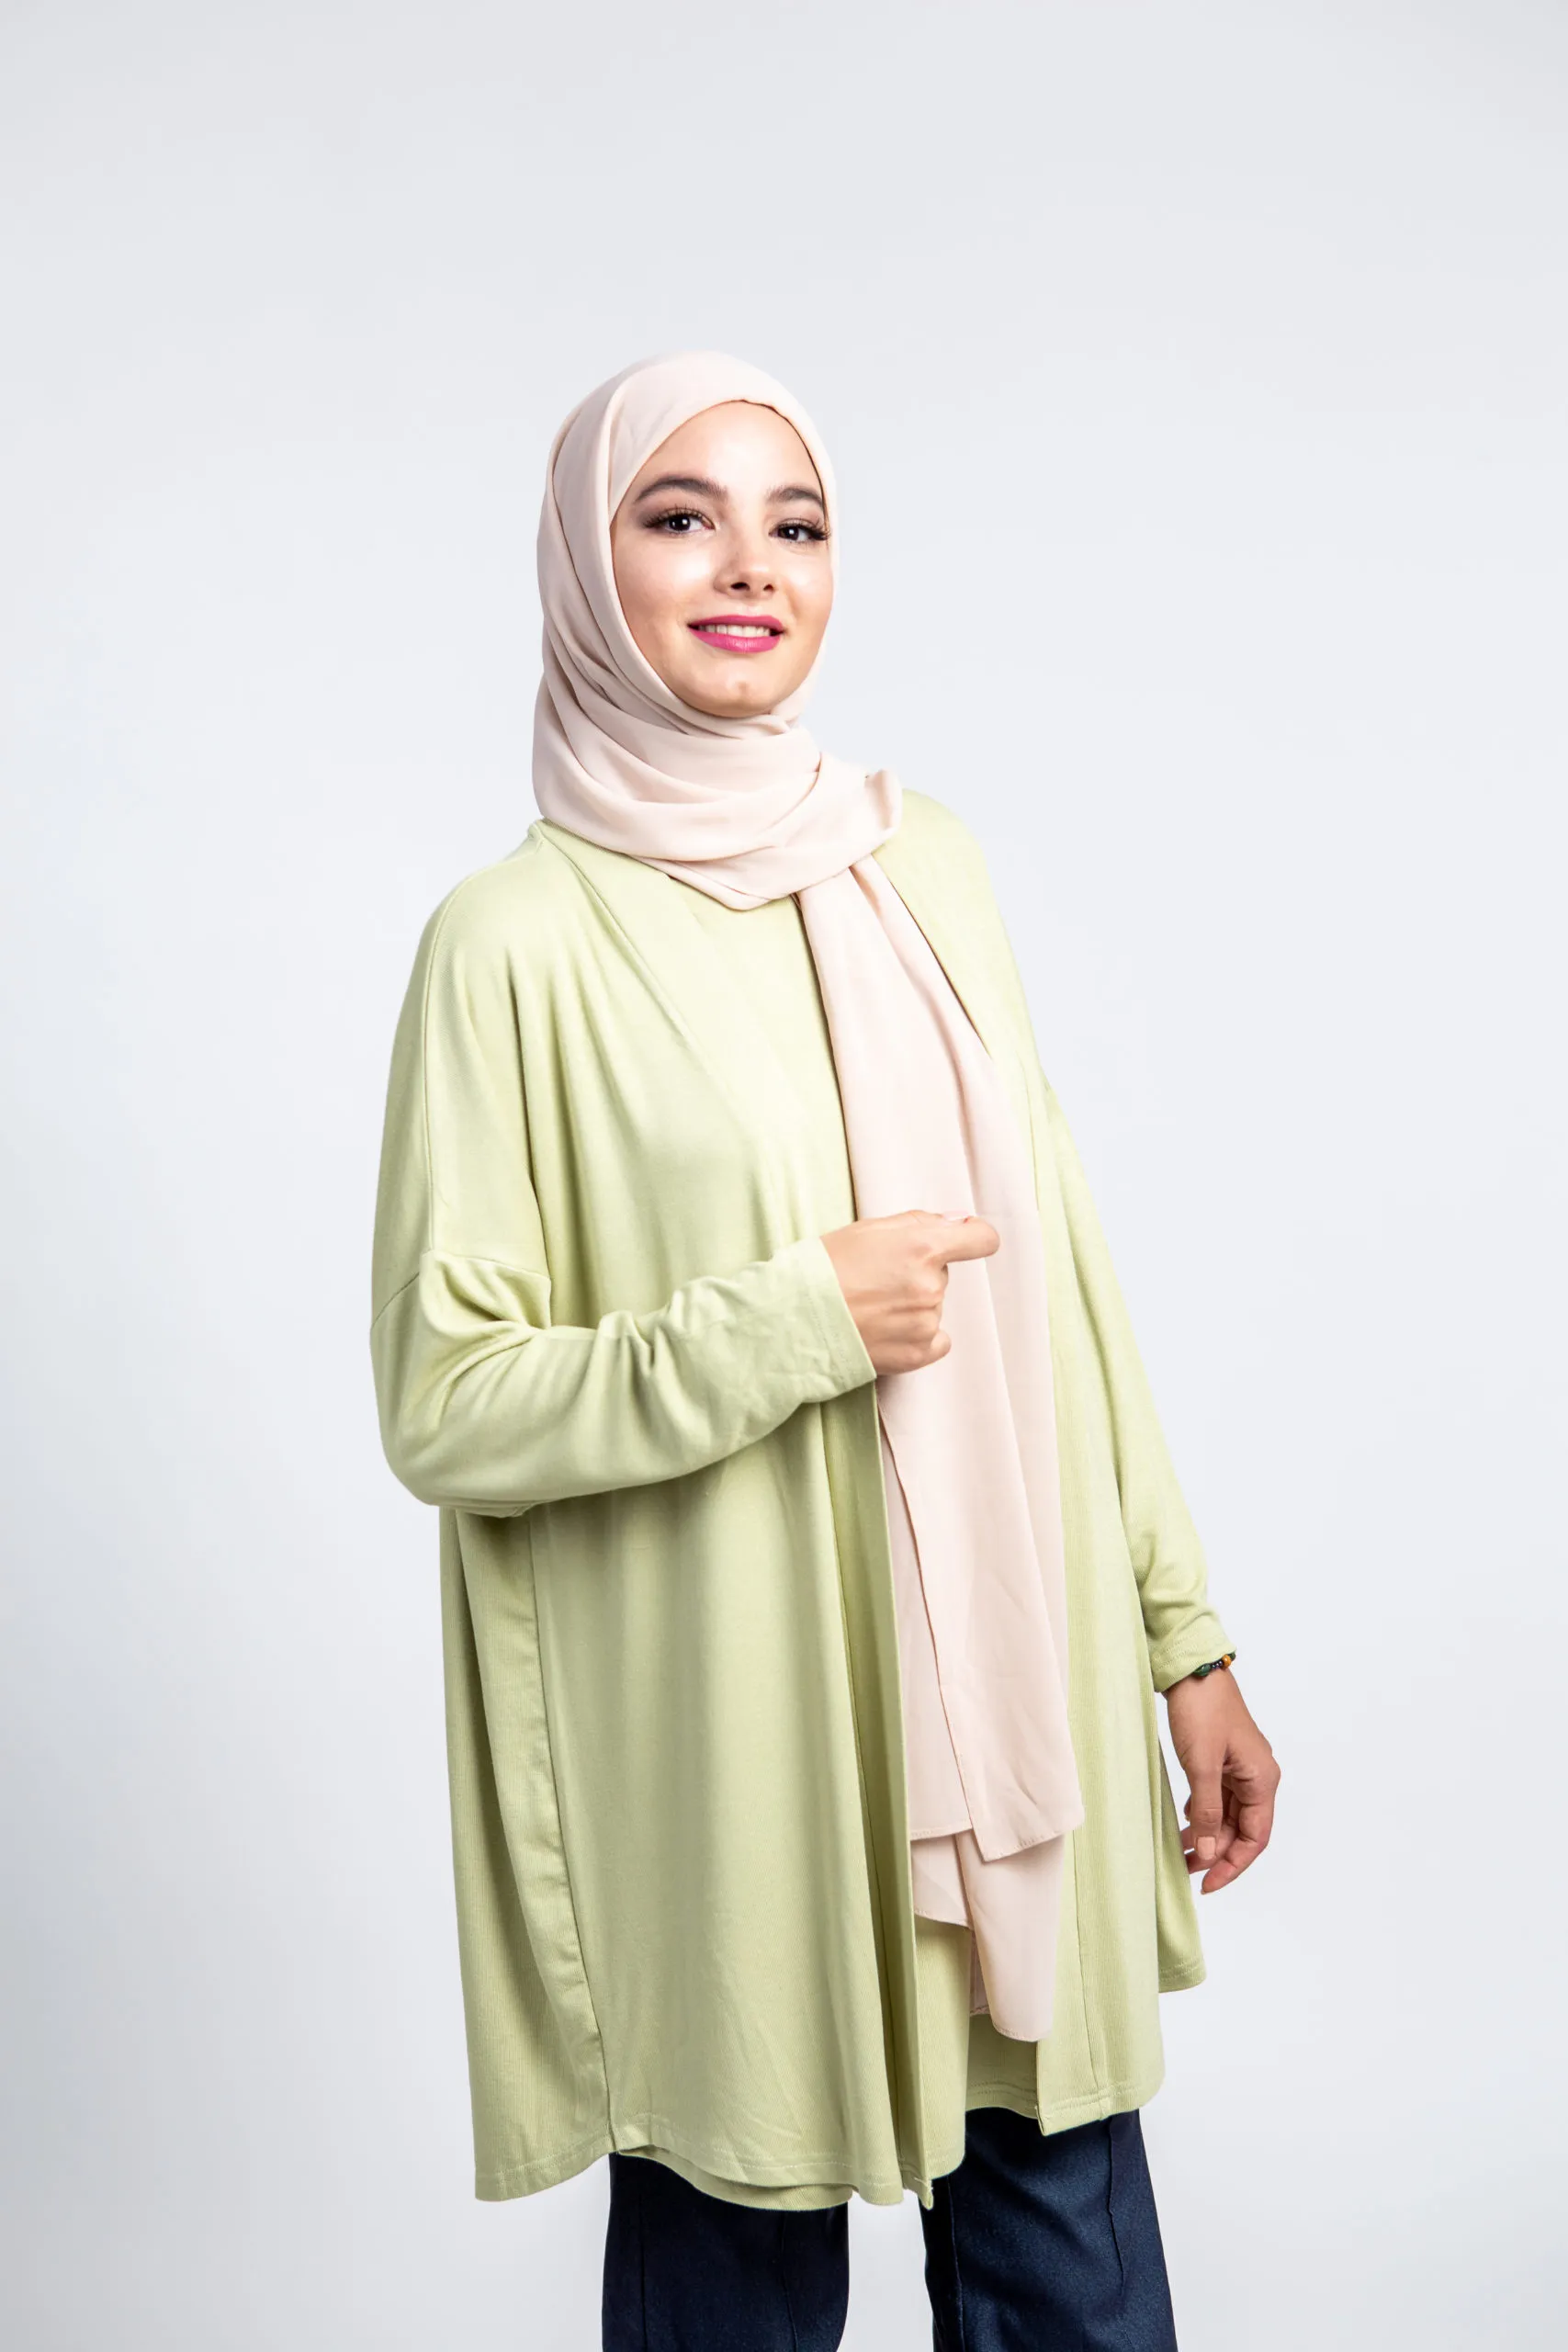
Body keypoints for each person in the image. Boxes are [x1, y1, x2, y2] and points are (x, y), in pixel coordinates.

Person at [369, 351, 1280, 2351]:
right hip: (736, 1748)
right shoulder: (512, 943)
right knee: (734, 2282)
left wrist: (1183, 1639)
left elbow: (1065, 1282)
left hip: (1016, 1709)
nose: (746, 567)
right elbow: (448, 1404)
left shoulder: (918, 859)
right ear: (583, 560)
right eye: (677, 515)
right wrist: (795, 1319)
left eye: (794, 523)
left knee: (1072, 2275)